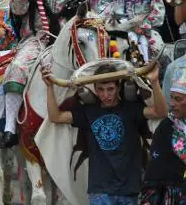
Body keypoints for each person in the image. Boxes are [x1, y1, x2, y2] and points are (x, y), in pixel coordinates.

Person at [3, 0, 89, 148]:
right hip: (39, 38)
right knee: (16, 69)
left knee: (92, 67)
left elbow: (84, 10)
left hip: (69, 36)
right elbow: (17, 9)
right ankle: (10, 126)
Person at [42, 60, 166, 205]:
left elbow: (161, 111)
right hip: (100, 190)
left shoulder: (131, 109)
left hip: (129, 189)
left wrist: (155, 81)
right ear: (94, 88)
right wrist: (49, 87)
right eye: (100, 89)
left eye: (110, 89)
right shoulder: (89, 112)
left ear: (118, 87)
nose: (105, 94)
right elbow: (56, 117)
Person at [140, 66, 186, 203]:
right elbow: (155, 172)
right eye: (171, 98)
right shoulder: (167, 127)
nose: (172, 104)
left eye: (178, 99)